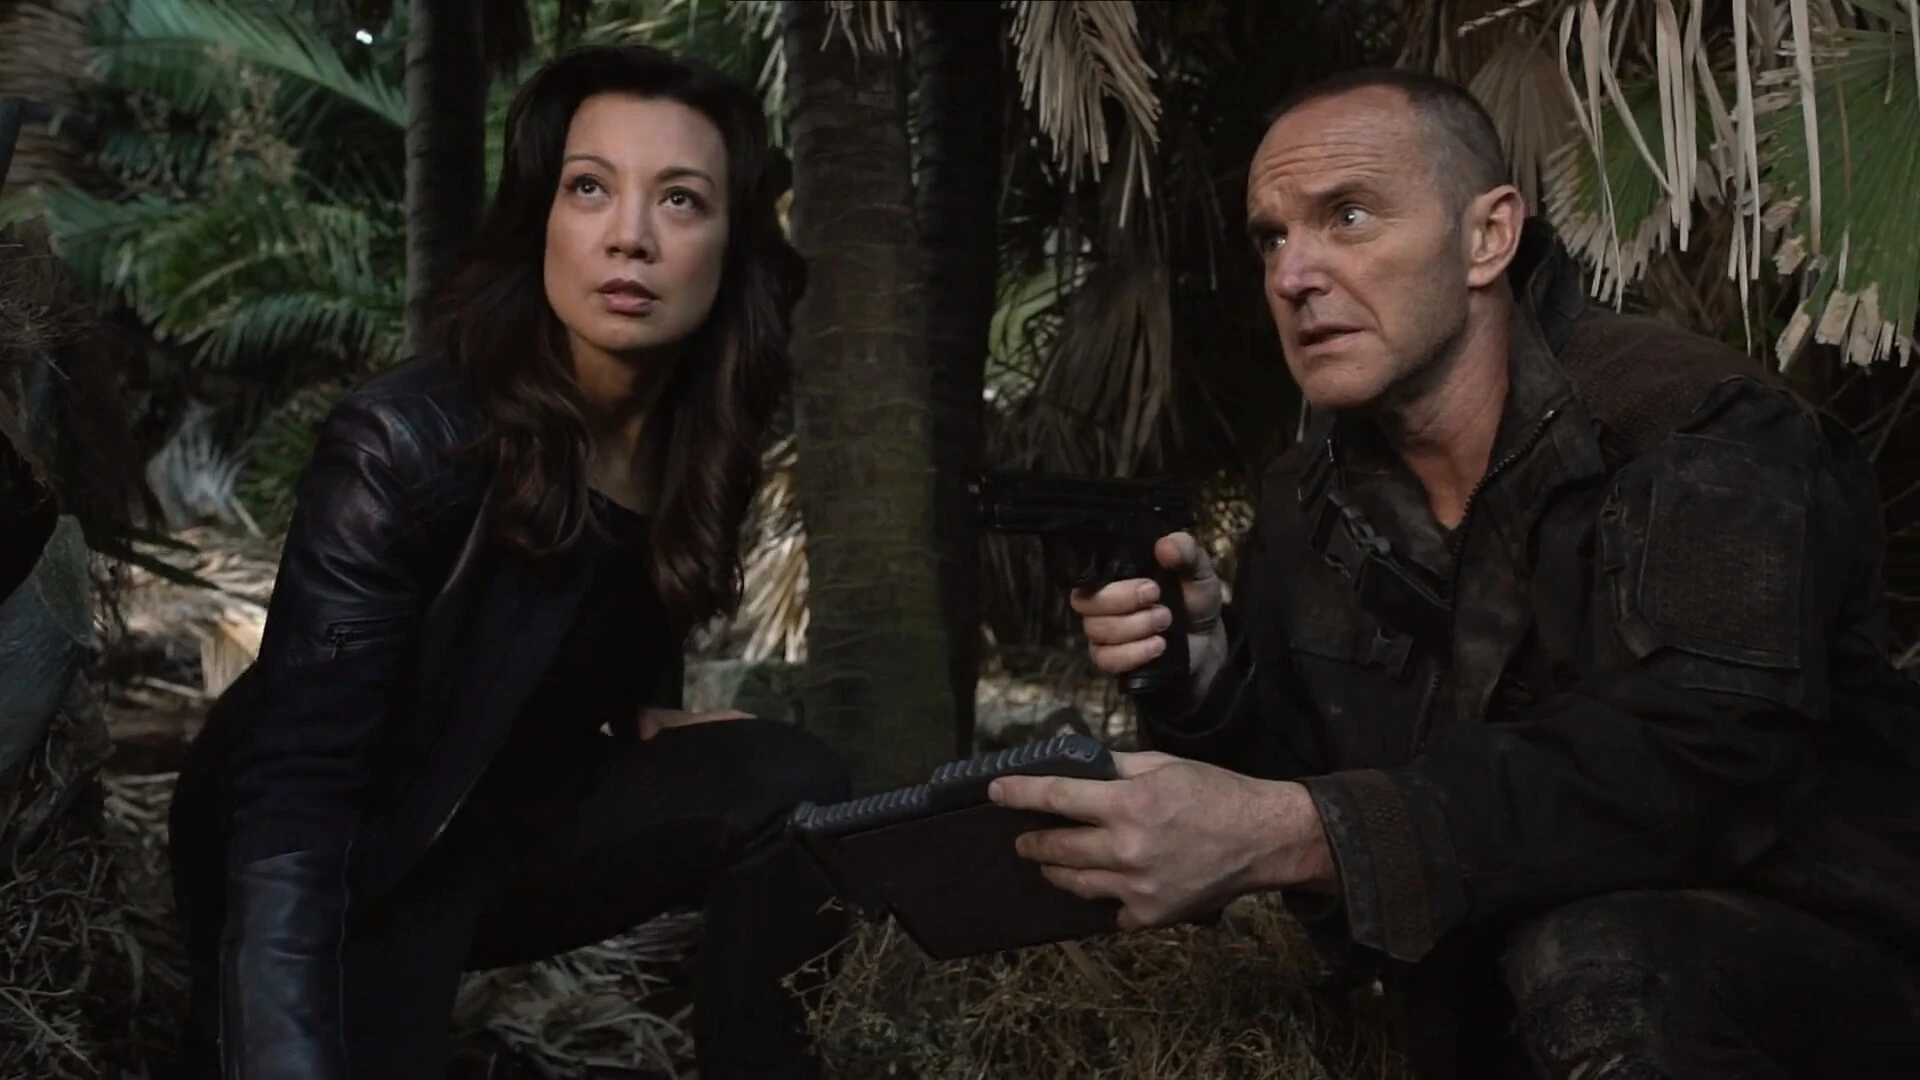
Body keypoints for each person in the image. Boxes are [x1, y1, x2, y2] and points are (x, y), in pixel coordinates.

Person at [989, 68, 1920, 1078]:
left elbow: (1703, 771)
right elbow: (1315, 802)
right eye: (1271, 238)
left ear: (1488, 237)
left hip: (1821, 963)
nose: (1294, 274)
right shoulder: (1309, 501)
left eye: (1348, 217)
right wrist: (1209, 690)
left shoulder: (1701, 431)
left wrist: (1297, 830)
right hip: (1492, 996)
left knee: (1600, 962)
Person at [167, 44, 849, 1080]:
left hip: (505, 819)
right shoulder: (399, 447)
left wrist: (640, 720)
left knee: (792, 781)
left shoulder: (698, 443)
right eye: (590, 188)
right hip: (337, 855)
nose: (630, 236)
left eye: (680, 199)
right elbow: (295, 793)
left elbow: (567, 630)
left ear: (731, 243)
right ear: (541, 218)